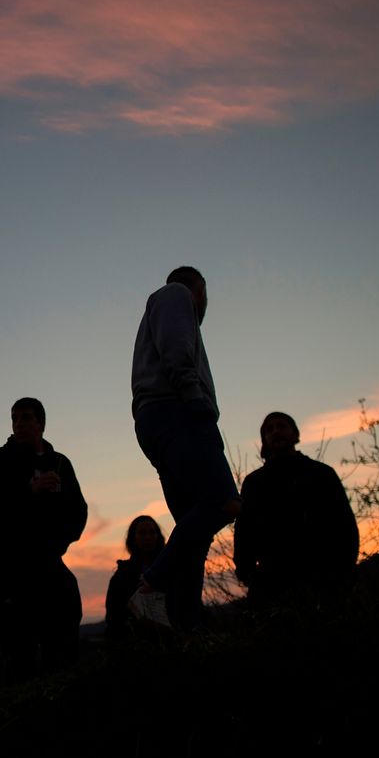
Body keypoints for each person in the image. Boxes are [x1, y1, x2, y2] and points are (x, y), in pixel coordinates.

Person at [130, 266, 241, 632]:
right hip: (177, 412)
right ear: (200, 291)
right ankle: (151, 585)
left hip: (158, 420)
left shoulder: (159, 309)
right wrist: (198, 404)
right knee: (224, 501)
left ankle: (185, 623)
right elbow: (177, 351)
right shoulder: (176, 295)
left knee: (194, 530)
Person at [0, 397, 88, 679]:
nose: (19, 424)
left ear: (40, 423)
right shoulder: (0, 460)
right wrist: (29, 490)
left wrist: (61, 542)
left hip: (48, 559)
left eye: (26, 417)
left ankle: (61, 691)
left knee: (65, 618)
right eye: (15, 418)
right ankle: (22, 703)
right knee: (18, 642)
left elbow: (79, 509)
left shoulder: (60, 463)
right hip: (10, 560)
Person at [234, 411, 359, 605]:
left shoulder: (321, 474)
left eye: (281, 426)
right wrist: (248, 574)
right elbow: (244, 533)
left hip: (324, 580)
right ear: (264, 440)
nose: (275, 431)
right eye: (269, 429)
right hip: (272, 584)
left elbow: (345, 525)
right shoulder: (254, 483)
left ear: (295, 434)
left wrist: (342, 571)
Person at [104, 515, 165, 639]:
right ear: (133, 539)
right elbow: (114, 618)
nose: (148, 537)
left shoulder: (171, 570)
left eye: (152, 532)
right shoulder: (121, 576)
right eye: (142, 533)